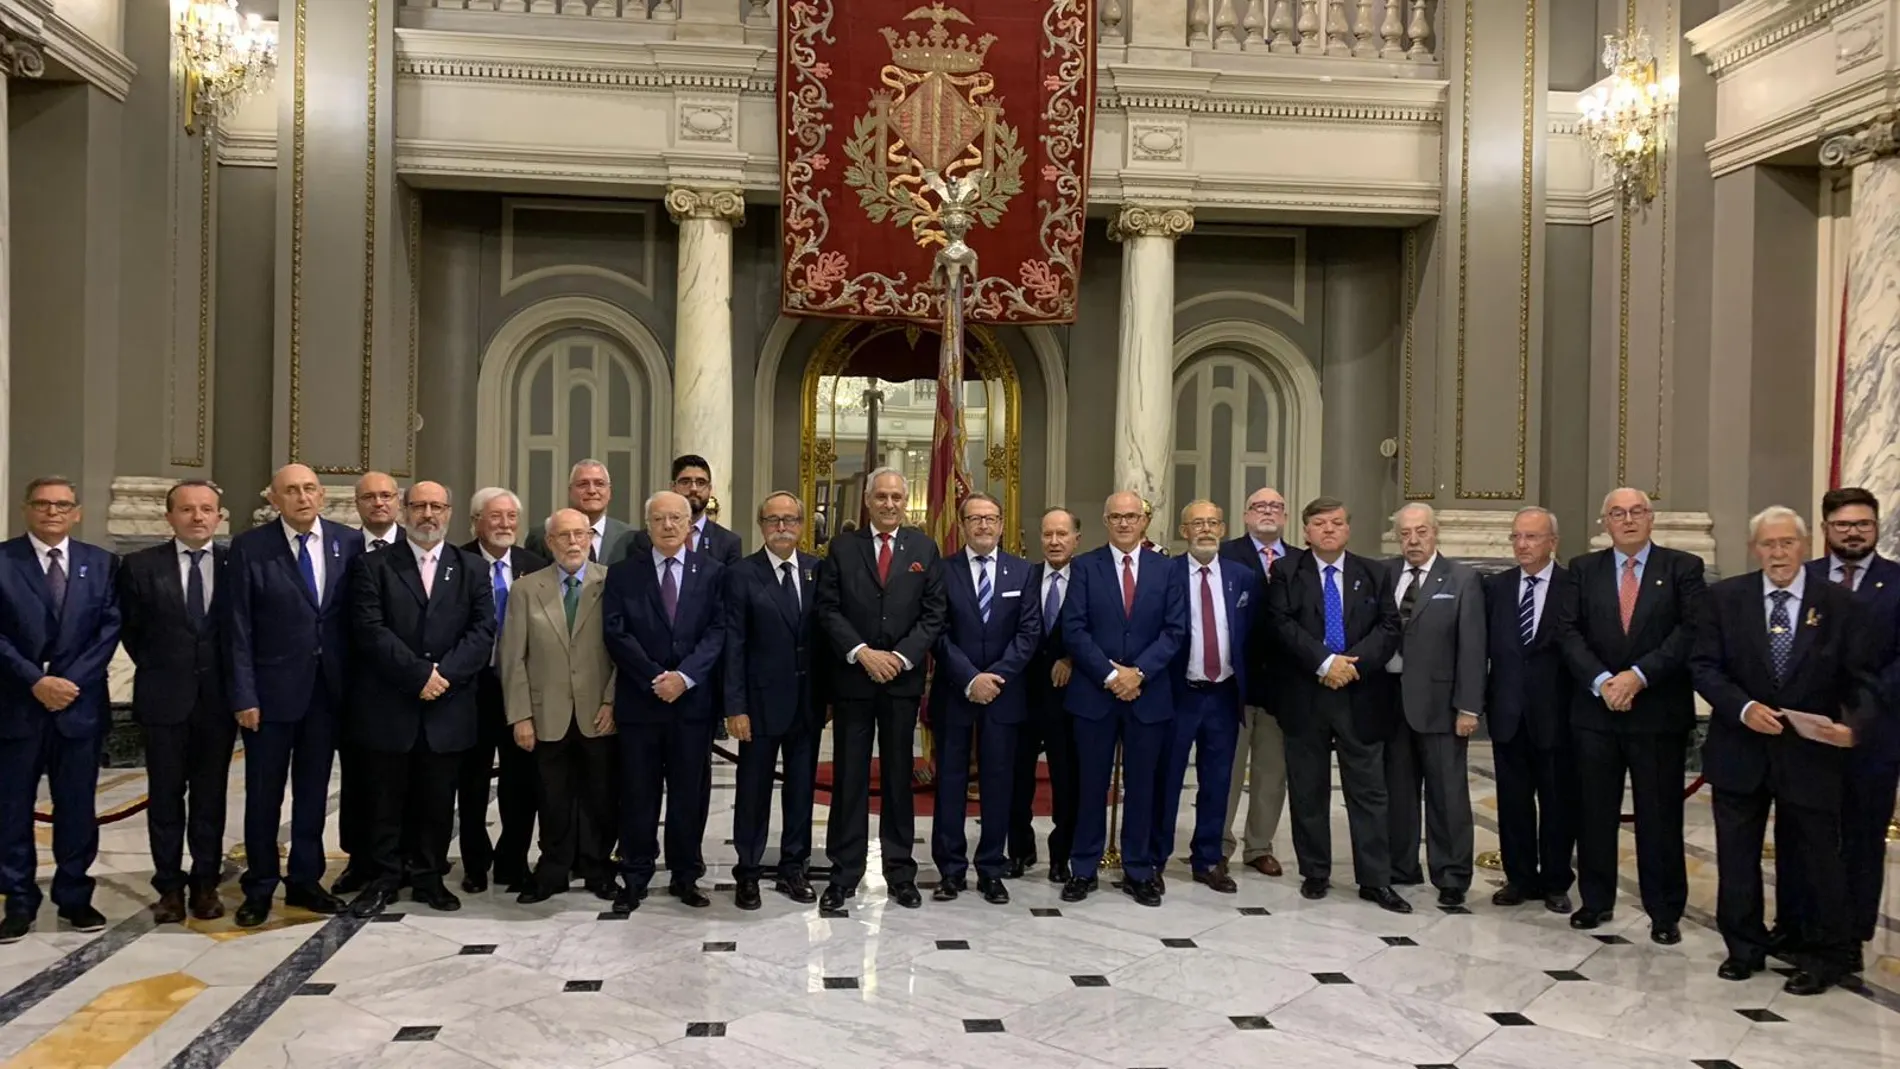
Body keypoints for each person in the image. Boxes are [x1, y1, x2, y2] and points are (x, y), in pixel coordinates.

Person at [1690, 506, 1879, 996]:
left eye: (1787, 543)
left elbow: (1863, 679)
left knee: (1815, 858)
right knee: (1736, 857)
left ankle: (1822, 954)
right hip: (1741, 750)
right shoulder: (1724, 598)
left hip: (1811, 755)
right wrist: (1743, 707)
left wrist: (1853, 728)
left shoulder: (1838, 604)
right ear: (1755, 549)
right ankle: (1744, 948)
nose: (1778, 554)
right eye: (1768, 545)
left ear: (1804, 545)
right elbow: (1705, 667)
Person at [1554, 487, 1705, 945]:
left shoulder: (1683, 568)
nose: (1628, 519)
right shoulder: (1583, 570)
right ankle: (1596, 901)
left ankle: (1664, 911)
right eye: (1617, 513)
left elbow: (1690, 631)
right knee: (1595, 813)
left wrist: (1637, 677)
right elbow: (1568, 632)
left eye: (1636, 511)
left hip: (1656, 711)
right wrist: (1604, 682)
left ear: (1651, 518)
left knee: (1659, 817)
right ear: (1605, 523)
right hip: (1597, 712)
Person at [344, 482, 495, 917]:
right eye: (419, 506)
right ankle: (385, 878)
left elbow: (483, 631)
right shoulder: (373, 566)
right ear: (404, 511)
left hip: (447, 705)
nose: (428, 514)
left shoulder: (470, 568)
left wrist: (442, 675)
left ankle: (430, 877)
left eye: (437, 506)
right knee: (385, 801)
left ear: (449, 512)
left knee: (436, 801)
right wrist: (417, 675)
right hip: (391, 703)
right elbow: (370, 630)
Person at [224, 464, 362, 927]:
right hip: (269, 694)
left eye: (309, 489)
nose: (302, 498)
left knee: (313, 792)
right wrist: (244, 693)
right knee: (264, 794)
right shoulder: (250, 548)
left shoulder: (348, 542)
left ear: (322, 495)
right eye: (291, 491)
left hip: (328, 693)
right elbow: (238, 628)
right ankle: (260, 884)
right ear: (274, 498)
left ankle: (305, 879)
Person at [1777, 486, 1900, 976]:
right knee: (1800, 835)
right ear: (1825, 529)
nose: (1853, 533)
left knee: (1862, 839)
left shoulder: (1895, 582)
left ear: (1876, 527)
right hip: (1806, 736)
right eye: (1843, 525)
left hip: (1872, 737)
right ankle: (1796, 926)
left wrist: (1859, 718)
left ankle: (1848, 938)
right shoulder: (1799, 578)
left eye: (1863, 524)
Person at [814, 468, 948, 913]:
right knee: (850, 779)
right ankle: (844, 873)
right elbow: (827, 609)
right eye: (882, 496)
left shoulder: (924, 548)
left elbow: (933, 614)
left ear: (905, 501)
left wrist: (900, 658)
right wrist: (861, 652)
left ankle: (899, 872)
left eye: (897, 496)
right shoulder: (843, 547)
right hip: (854, 680)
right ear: (867, 501)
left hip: (901, 683)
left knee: (897, 780)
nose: (889, 504)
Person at [1265, 497, 1407, 912]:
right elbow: (1280, 624)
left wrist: (1350, 666)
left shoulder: (1374, 572)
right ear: (1306, 532)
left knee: (1368, 792)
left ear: (1348, 529)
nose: (1329, 530)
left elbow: (1389, 626)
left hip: (1359, 696)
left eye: (1337, 523)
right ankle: (1315, 872)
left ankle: (1375, 879)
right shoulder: (1286, 570)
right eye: (1320, 524)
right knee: (1308, 789)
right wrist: (1325, 663)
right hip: (1306, 696)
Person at [0, 476, 121, 942]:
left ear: (77, 513)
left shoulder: (102, 564)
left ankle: (75, 896)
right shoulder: (4, 560)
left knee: (76, 808)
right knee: (12, 810)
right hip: (17, 704)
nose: (53, 512)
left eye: (62, 505)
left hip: (79, 705)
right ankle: (17, 900)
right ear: (26, 509)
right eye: (43, 504)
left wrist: (70, 682)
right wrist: (35, 680)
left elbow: (109, 629)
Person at [1058, 491, 1186, 907]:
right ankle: (1083, 867)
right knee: (1090, 785)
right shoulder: (1084, 567)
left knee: (1143, 786)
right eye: (1116, 517)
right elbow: (1074, 631)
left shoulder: (1166, 570)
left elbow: (1174, 631)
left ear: (1144, 521)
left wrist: (1139, 674)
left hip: (1148, 696)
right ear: (1105, 521)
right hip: (1095, 695)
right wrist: (1112, 674)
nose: (1125, 523)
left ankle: (1139, 869)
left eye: (1132, 516)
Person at [117, 479, 235, 923]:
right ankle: (169, 884)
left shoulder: (233, 562)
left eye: (207, 509)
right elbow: (131, 631)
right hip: (164, 699)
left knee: (210, 797)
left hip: (218, 702)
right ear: (169, 517)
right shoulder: (139, 566)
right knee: (165, 797)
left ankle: (205, 882)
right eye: (187, 509)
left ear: (219, 516)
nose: (198, 517)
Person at [603, 491, 726, 912]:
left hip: (692, 706)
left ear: (691, 524)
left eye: (677, 518)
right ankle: (634, 875)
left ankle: (686, 875)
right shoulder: (622, 574)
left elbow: (717, 632)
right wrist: (655, 677)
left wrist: (684, 678)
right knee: (638, 793)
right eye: (660, 519)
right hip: (642, 702)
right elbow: (616, 633)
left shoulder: (712, 572)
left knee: (689, 795)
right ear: (648, 526)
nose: (669, 525)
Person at [501, 509, 618, 905]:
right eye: (564, 536)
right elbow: (513, 657)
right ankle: (552, 869)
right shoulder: (526, 589)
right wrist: (520, 715)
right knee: (552, 797)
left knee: (600, 796)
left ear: (590, 538)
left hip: (599, 713)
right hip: (545, 712)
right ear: (549, 542)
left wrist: (611, 700)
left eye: (580, 535)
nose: (573, 543)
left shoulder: (610, 583)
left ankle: (598, 867)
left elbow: (624, 651)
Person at [928, 493, 1041, 905]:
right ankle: (951, 870)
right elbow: (936, 633)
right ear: (961, 523)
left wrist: (995, 677)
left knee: (998, 783)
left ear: (1001, 523)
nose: (984, 526)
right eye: (975, 519)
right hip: (956, 693)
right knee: (951, 784)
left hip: (1004, 695)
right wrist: (970, 678)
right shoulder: (942, 571)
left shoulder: (1023, 572)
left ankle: (992, 868)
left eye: (991, 518)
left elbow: (1029, 634)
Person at [722, 492, 824, 909]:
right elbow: (734, 645)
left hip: (808, 703)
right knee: (753, 791)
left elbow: (826, 640)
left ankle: (792, 868)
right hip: (759, 706)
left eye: (790, 520)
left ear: (802, 525)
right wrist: (735, 706)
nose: (782, 527)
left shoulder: (818, 571)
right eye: (773, 520)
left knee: (801, 792)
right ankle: (747, 871)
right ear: (761, 525)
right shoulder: (742, 574)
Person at [1382, 504, 1485, 907]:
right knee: (1399, 792)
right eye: (1405, 533)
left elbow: (1473, 648)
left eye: (1420, 531)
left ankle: (1452, 874)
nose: (1413, 540)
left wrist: (1469, 707)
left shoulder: (1462, 579)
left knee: (1447, 794)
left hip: (1442, 707)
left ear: (1435, 532)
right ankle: (1400, 865)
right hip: (1391, 704)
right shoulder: (1384, 574)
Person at [1156, 500, 1259, 894]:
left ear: (1223, 527)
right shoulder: (1167, 574)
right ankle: (1156, 857)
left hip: (1224, 694)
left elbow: (1250, 634)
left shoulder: (1242, 577)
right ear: (1184, 530)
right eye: (1197, 523)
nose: (1205, 529)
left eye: (1212, 522)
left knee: (1218, 781)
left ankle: (1208, 859)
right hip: (1180, 692)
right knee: (1167, 778)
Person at [1482, 506, 1577, 913]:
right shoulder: (1497, 588)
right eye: (1516, 537)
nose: (1522, 544)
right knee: (1513, 802)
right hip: (1507, 712)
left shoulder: (1574, 586)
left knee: (1558, 803)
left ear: (1552, 542)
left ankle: (1556, 881)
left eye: (1532, 537)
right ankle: (1519, 878)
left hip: (1558, 714)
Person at [456, 487, 549, 895]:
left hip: (523, 692)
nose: (505, 525)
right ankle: (475, 862)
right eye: (495, 517)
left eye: (512, 517)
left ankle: (514, 859)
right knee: (472, 783)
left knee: (521, 782)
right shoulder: (457, 561)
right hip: (471, 691)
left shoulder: (535, 565)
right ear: (476, 521)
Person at [1218, 486, 1299, 877]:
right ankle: (1216, 843)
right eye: (1259, 506)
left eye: (1275, 506)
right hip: (1233, 683)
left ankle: (1259, 846)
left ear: (1285, 515)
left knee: (1271, 771)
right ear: (1246, 515)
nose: (1267, 511)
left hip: (1283, 688)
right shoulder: (1225, 555)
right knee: (1226, 769)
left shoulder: (1302, 561)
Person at [333, 471, 403, 896]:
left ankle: (402, 858)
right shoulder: (340, 547)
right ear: (357, 504)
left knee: (403, 779)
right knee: (359, 778)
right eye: (369, 497)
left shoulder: (419, 547)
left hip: (409, 683)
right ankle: (359, 860)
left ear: (398, 502)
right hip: (355, 684)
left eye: (386, 496)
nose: (378, 504)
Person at [1010, 507, 1084, 882]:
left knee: (1066, 779)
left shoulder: (1089, 578)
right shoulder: (1026, 576)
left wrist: (1071, 658)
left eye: (1062, 534)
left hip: (1068, 697)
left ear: (1076, 539)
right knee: (1017, 777)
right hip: (1023, 694)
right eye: (1047, 535)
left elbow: (1099, 627)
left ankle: (1062, 855)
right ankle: (1020, 849)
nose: (1054, 542)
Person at [613, 454, 744, 565]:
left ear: (709, 489)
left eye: (700, 483)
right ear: (673, 487)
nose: (693, 488)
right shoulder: (643, 540)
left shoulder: (728, 543)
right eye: (685, 482)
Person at [524, 460, 629, 564]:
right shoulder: (541, 536)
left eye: (599, 484)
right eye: (583, 484)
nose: (592, 491)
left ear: (609, 491)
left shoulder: (629, 537)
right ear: (570, 491)